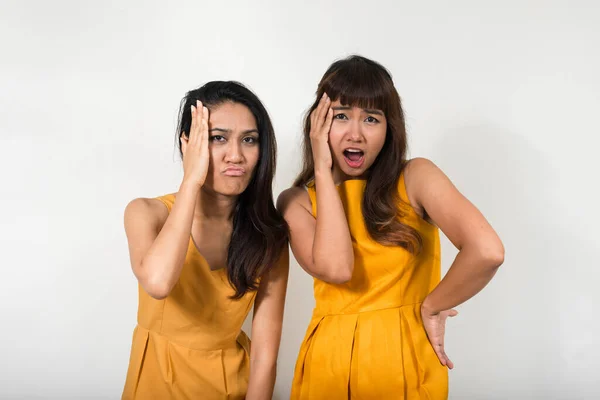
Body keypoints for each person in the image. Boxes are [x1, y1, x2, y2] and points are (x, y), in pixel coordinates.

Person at [278, 55, 505, 399]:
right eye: (341, 116)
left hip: (405, 362)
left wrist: (432, 305)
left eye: (371, 118)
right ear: (318, 123)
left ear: (389, 127)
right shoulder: (296, 201)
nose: (355, 133)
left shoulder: (415, 177)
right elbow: (338, 269)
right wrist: (323, 173)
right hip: (327, 367)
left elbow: (487, 250)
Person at [121, 81, 289, 400]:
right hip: (155, 385)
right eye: (217, 138)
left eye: (249, 140)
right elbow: (157, 282)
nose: (236, 155)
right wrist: (192, 181)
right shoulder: (146, 213)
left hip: (232, 386)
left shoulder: (269, 234)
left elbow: (265, 358)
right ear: (188, 143)